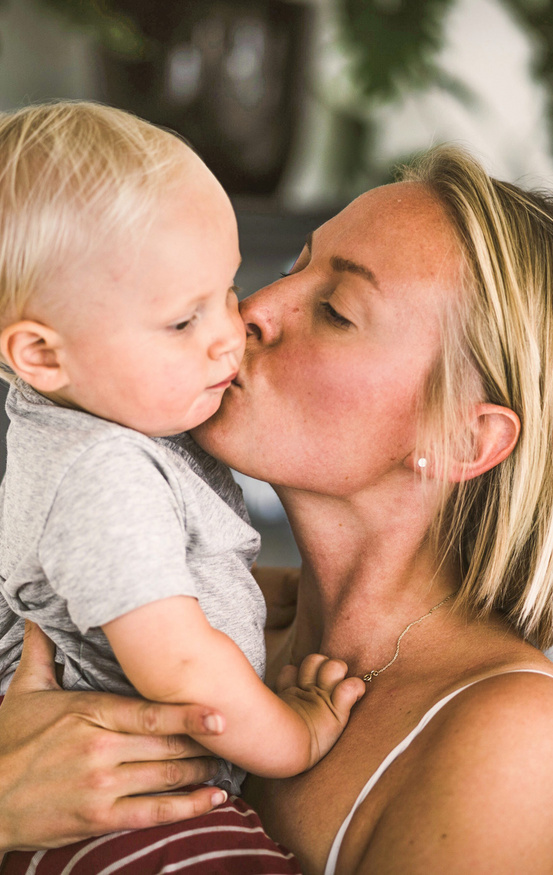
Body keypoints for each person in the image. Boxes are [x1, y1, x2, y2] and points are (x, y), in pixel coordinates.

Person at [3, 142, 553, 873]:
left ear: (462, 436)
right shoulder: (191, 610)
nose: (254, 309)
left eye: (334, 310)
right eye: (295, 264)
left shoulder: (511, 740)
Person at [0, 100, 364, 865]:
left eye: (226, 290)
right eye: (181, 321)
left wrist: (256, 586)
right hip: (126, 809)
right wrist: (292, 733)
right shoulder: (104, 470)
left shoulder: (105, 422)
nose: (230, 332)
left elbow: (133, 580)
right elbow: (182, 667)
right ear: (40, 355)